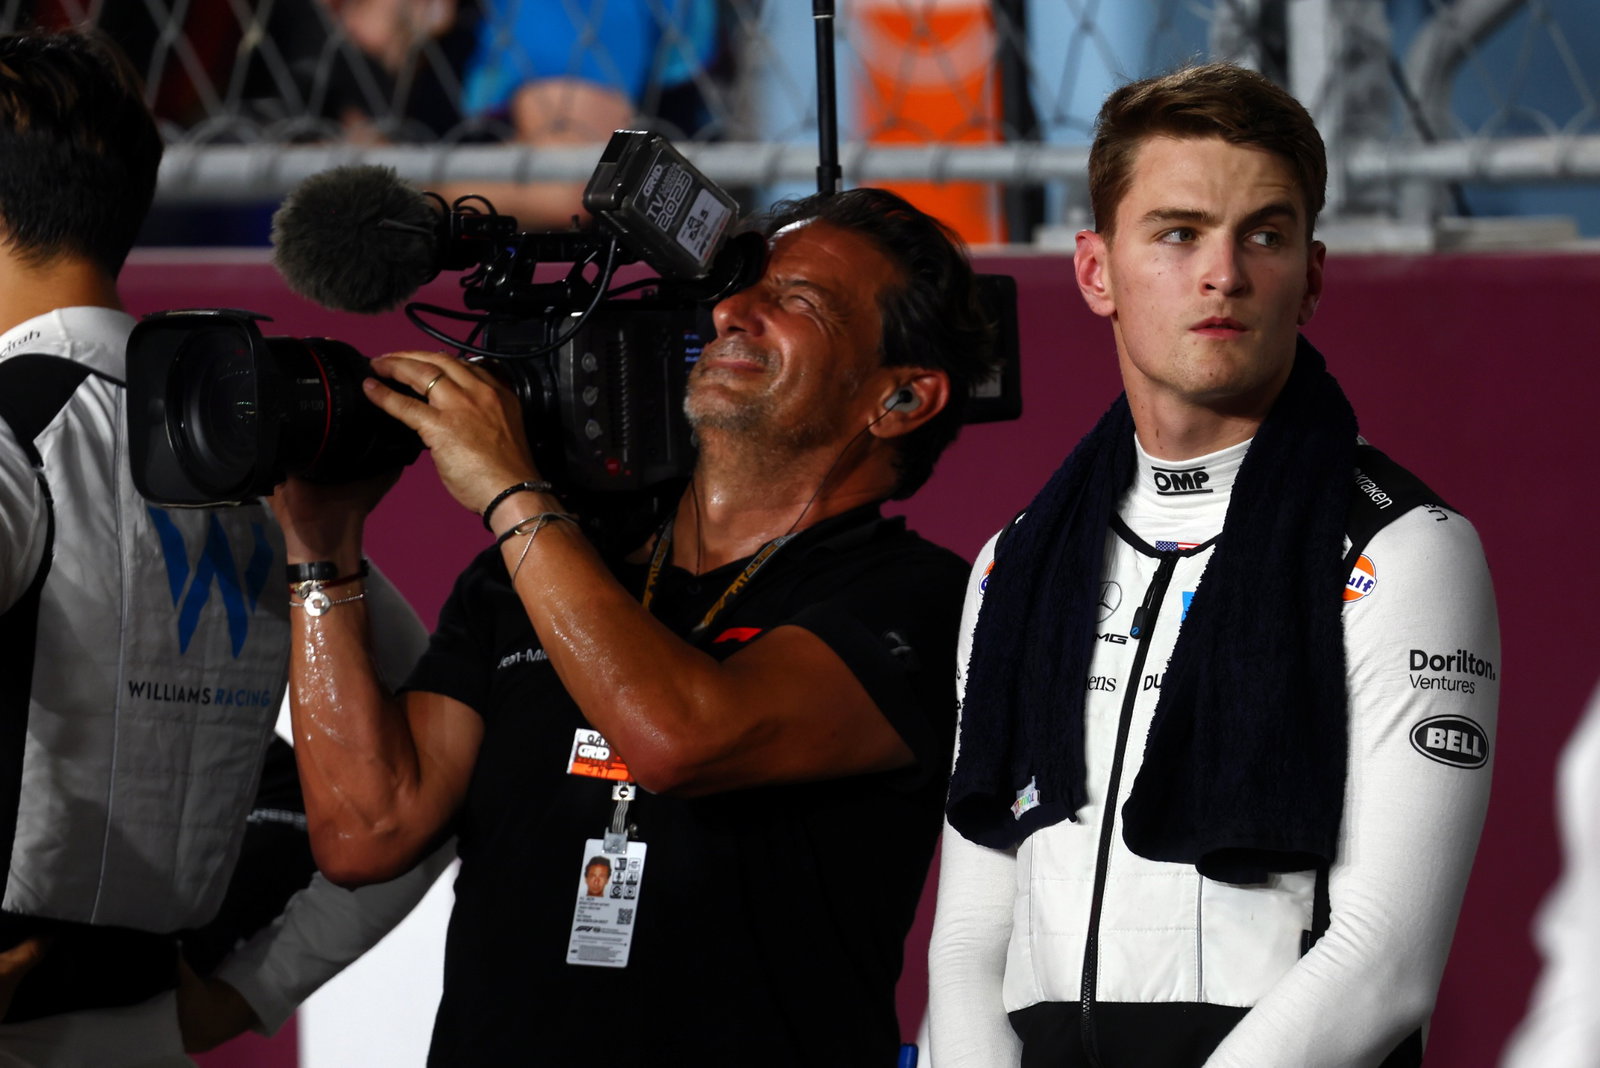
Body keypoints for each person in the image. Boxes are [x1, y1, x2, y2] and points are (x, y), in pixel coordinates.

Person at [267, 185, 995, 1065]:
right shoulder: (535, 572)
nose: (734, 309)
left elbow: (679, 738)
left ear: (903, 399)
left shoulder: (916, 598)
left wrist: (511, 491)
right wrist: (322, 545)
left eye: (797, 303)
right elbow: (366, 829)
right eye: (744, 287)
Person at [928, 63, 1499, 1066]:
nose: (1222, 274)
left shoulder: (1403, 551)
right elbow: (974, 940)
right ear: (1095, 270)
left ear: (1311, 276)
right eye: (1178, 232)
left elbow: (1385, 962)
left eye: (1264, 236)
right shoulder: (1016, 562)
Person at [0, 27, 446, 1064]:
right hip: (145, 1033)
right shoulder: (248, 460)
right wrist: (252, 988)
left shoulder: (23, 431)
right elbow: (435, 760)